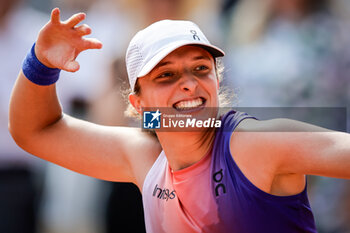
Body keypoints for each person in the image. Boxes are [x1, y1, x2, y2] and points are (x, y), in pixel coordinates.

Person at [8, 8, 350, 233]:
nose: (189, 82)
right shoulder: (144, 156)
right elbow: (34, 131)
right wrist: (41, 62)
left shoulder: (256, 143)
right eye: (166, 75)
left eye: (201, 68)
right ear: (138, 104)